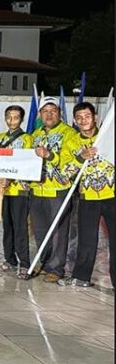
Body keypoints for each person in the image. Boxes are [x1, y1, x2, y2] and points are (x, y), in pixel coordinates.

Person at [60, 102, 114, 288]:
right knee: (87, 239)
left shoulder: (108, 136)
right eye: (79, 118)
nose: (84, 121)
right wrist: (80, 157)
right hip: (88, 197)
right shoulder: (71, 142)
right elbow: (64, 173)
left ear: (95, 117)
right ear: (75, 121)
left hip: (112, 195)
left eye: (87, 116)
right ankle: (81, 277)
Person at [30, 96, 77, 283]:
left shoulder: (69, 133)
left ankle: (57, 268)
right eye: (45, 111)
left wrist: (50, 155)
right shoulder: (35, 134)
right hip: (37, 189)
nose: (49, 115)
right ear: (40, 114)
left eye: (53, 111)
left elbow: (69, 160)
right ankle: (45, 262)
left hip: (58, 189)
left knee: (58, 231)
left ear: (59, 113)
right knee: (40, 230)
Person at [0, 105, 34, 279]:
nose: (12, 120)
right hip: (4, 190)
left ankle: (24, 262)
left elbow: (26, 163)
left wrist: (12, 178)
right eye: (9, 117)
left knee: (19, 227)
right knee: (6, 227)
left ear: (21, 119)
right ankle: (10, 260)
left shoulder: (27, 139)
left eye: (16, 117)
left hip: (20, 190)